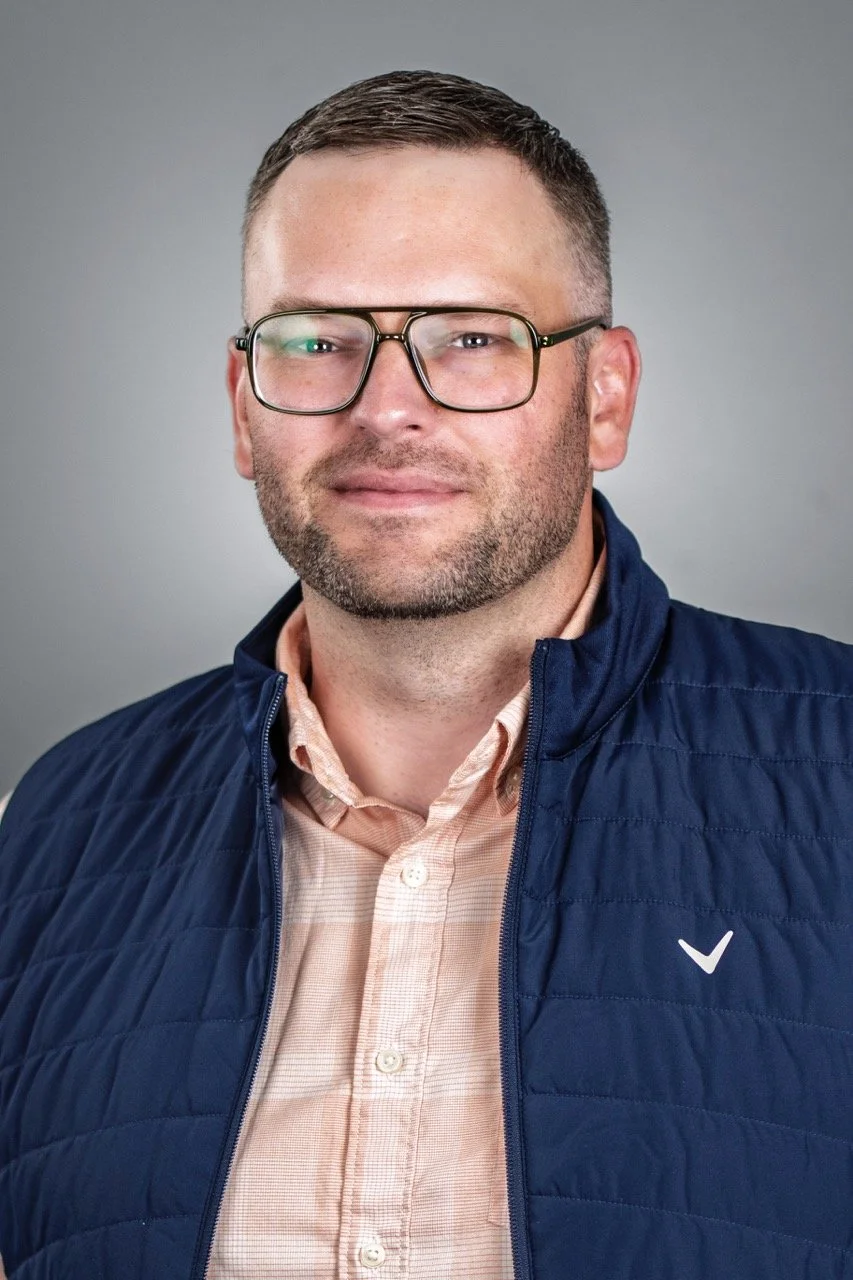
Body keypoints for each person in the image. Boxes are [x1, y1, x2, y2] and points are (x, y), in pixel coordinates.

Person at [0, 68, 851, 1280]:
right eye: (317, 341)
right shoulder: (50, 830)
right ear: (243, 409)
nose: (387, 407)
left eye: (470, 337)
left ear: (604, 398)